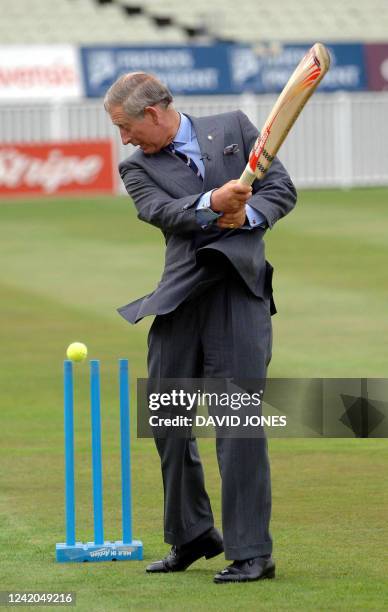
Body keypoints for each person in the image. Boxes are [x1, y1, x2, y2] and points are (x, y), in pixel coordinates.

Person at [104, 72, 297, 583]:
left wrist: (248, 214)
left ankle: (252, 551)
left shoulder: (234, 126)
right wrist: (214, 204)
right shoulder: (137, 167)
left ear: (153, 112)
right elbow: (161, 213)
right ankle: (192, 535)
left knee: (238, 426)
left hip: (237, 295)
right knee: (166, 423)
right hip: (178, 302)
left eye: (125, 126)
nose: (123, 138)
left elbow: (281, 189)